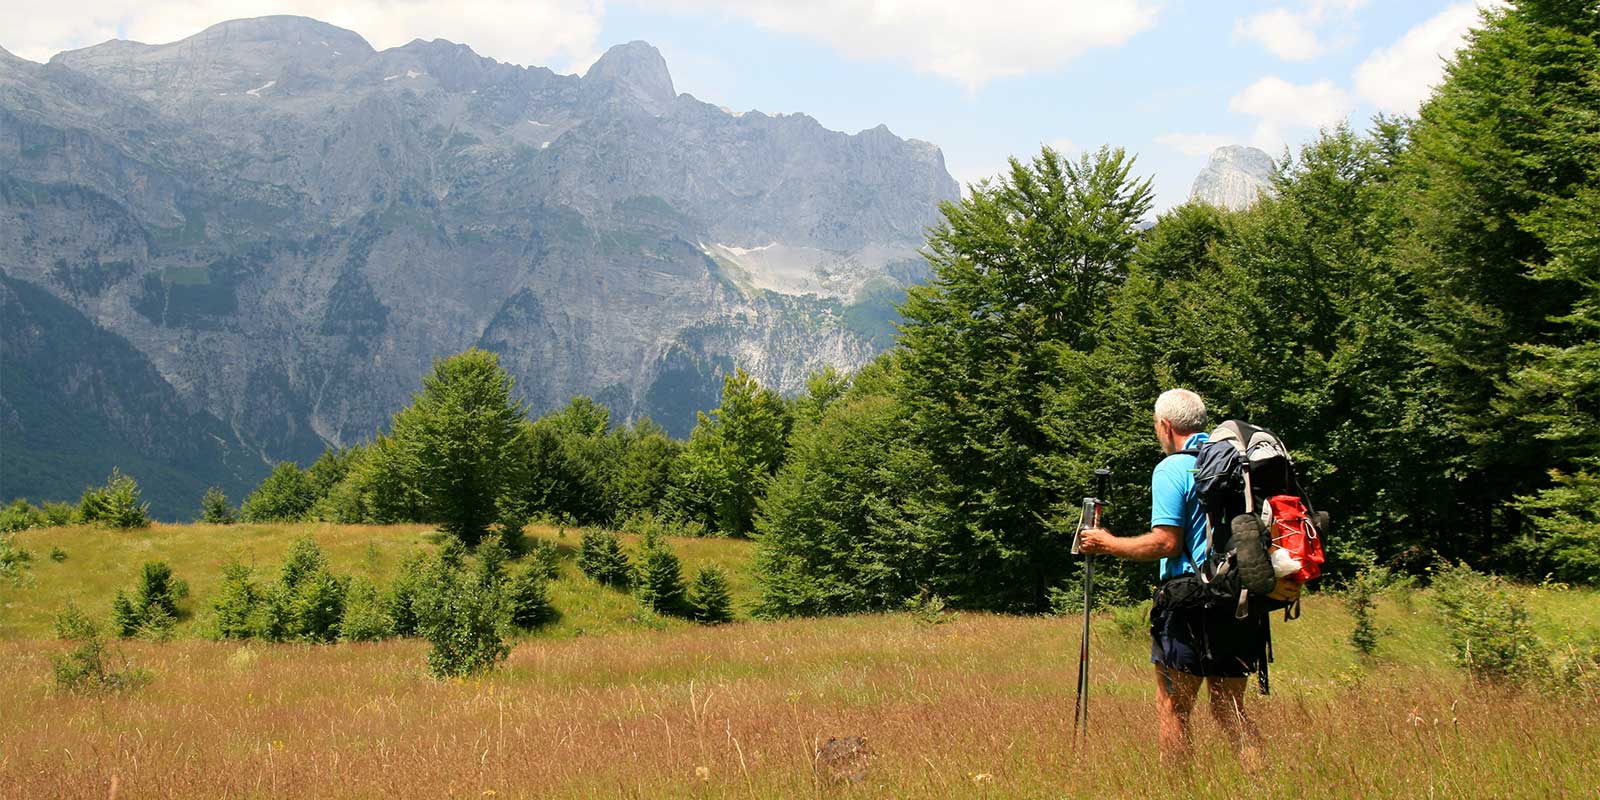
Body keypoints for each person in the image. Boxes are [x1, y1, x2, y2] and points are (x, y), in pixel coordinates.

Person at [1078, 388, 1264, 768]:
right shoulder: (1233, 462)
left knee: (1175, 711)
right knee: (1230, 711)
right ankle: (1263, 786)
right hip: (1240, 597)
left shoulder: (1172, 468)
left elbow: (1166, 543)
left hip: (1189, 603)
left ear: (1164, 425)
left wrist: (1106, 543)